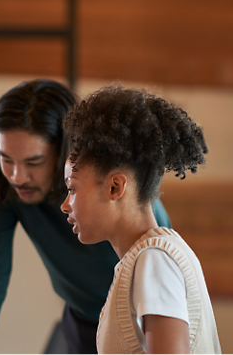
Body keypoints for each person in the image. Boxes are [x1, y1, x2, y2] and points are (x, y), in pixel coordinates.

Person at [0, 79, 171, 355]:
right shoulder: (5, 184)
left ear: (66, 154)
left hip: (135, 322)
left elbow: (159, 290)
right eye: (6, 158)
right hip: (80, 319)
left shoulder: (111, 186)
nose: (17, 177)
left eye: (34, 162)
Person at [60, 85, 222, 355]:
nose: (65, 205)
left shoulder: (154, 260)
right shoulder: (147, 257)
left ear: (115, 187)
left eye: (72, 188)